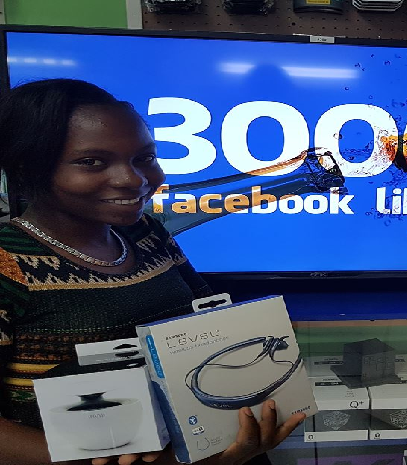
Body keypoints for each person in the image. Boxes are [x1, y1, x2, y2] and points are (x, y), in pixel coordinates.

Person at [0, 79, 306, 465]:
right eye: (92, 162)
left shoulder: (145, 233)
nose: (134, 180)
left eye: (144, 157)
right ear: (28, 167)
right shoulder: (7, 263)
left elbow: (209, 324)